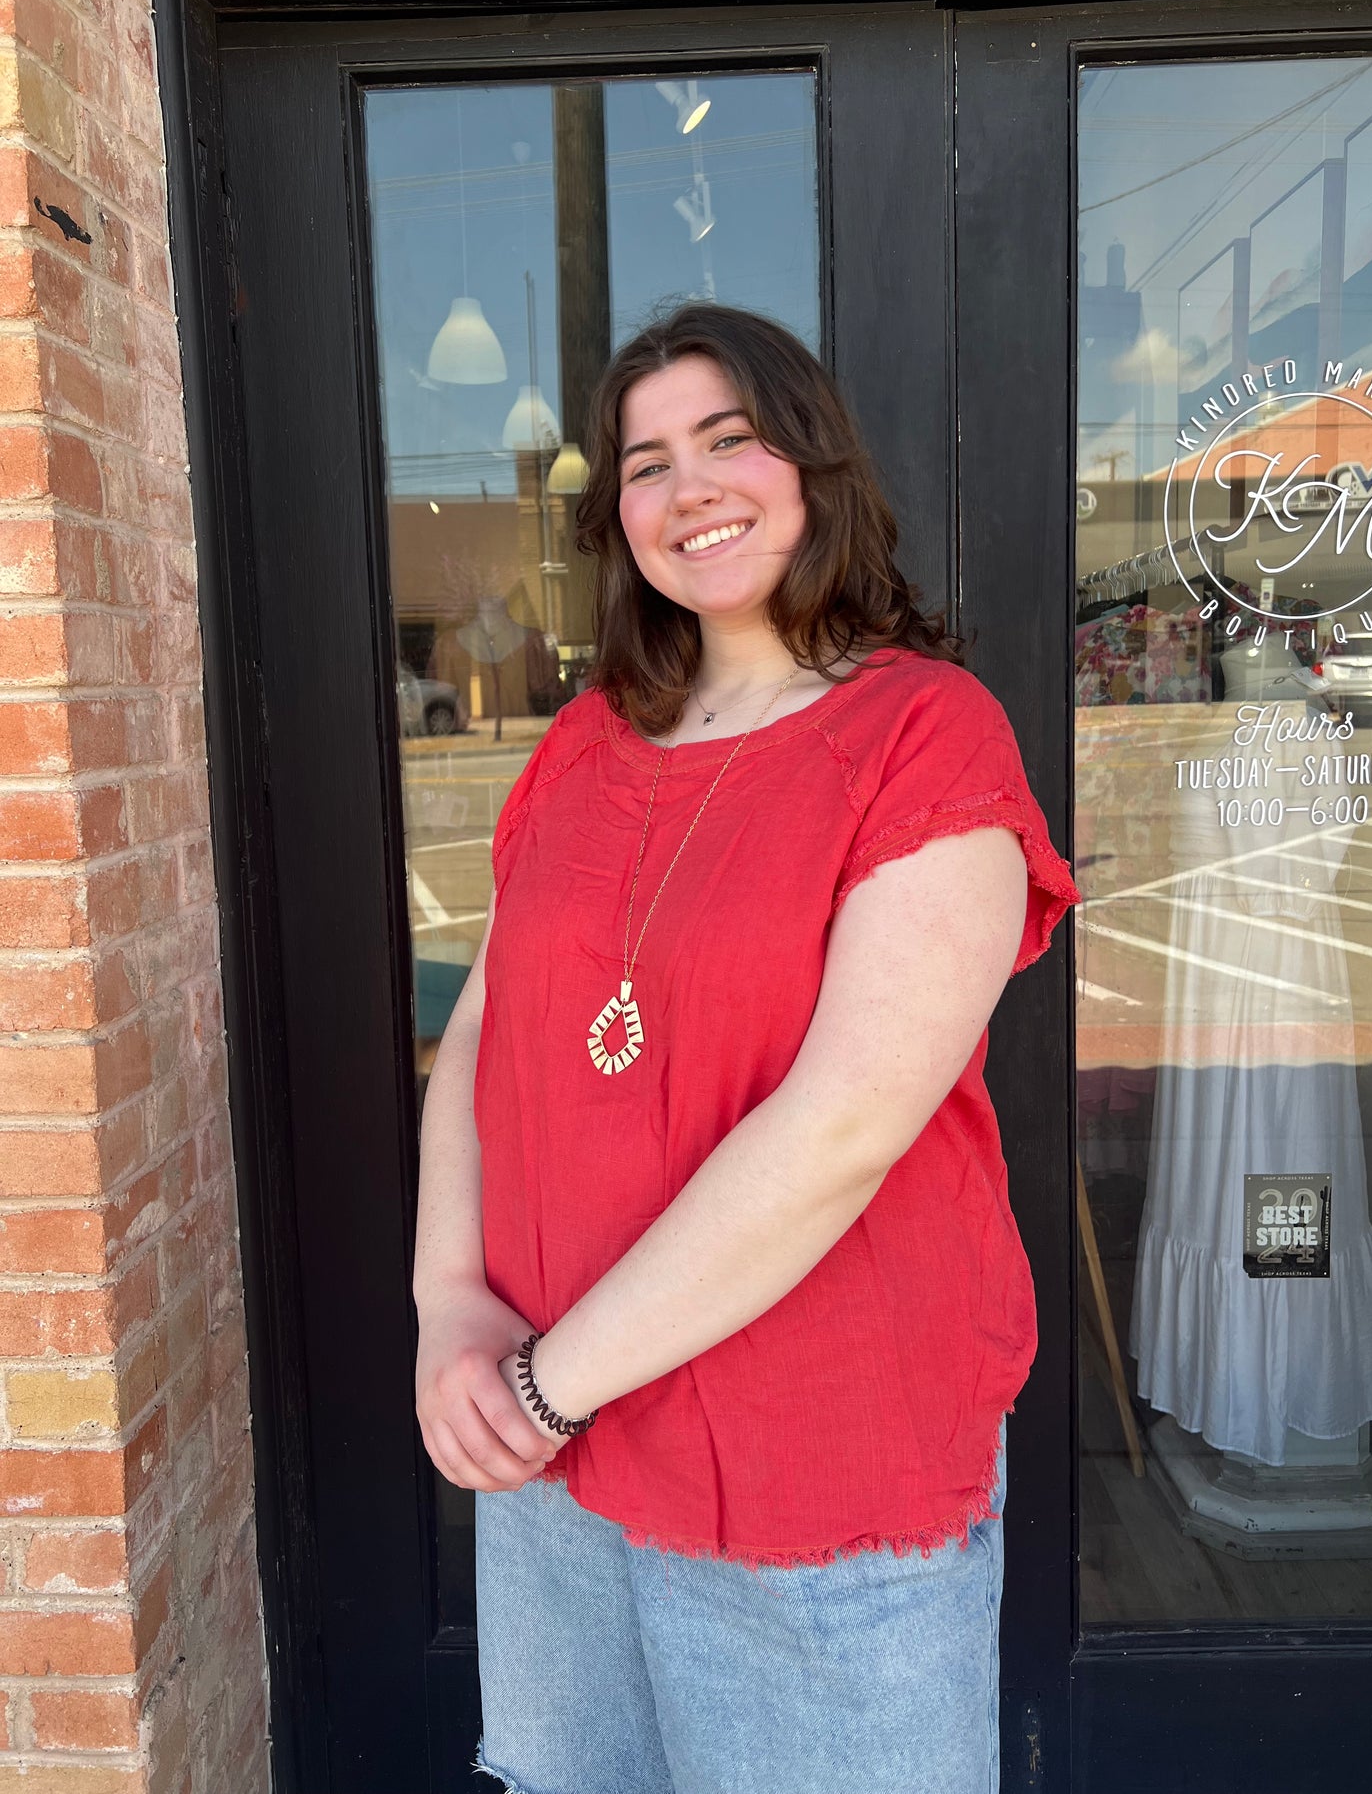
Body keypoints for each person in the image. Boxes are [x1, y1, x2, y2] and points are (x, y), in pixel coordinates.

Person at [413, 303, 1079, 1794]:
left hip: (811, 1466)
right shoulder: (583, 741)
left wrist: (544, 1385)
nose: (689, 487)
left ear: (812, 463)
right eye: (646, 463)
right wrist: (448, 1303)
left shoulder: (927, 733)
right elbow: (483, 1035)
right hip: (556, 1460)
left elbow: (843, 1127)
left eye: (730, 438)